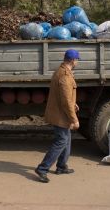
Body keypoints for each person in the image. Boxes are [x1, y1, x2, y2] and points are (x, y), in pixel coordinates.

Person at [35, 49, 80, 183]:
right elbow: (65, 101)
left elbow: (65, 96)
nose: (77, 62)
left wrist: (74, 103)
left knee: (67, 139)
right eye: (77, 60)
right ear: (72, 60)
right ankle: (42, 168)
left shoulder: (60, 71)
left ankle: (61, 166)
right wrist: (74, 119)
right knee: (61, 141)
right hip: (61, 115)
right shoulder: (65, 76)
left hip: (60, 112)